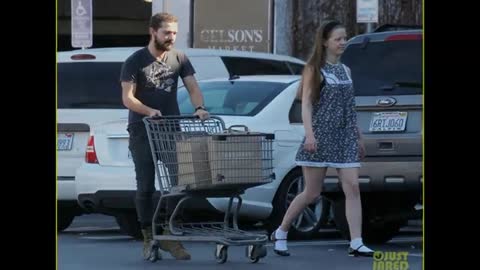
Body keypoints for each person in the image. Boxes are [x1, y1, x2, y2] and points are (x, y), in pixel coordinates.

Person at [271, 20, 375, 257]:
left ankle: (356, 241)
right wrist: (309, 134)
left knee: (353, 187)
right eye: (338, 39)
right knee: (312, 193)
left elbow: (350, 107)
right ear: (325, 42)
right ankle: (282, 231)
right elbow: (306, 104)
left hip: (345, 137)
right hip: (319, 136)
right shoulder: (314, 69)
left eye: (344, 38)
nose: (343, 42)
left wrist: (358, 136)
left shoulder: (346, 71)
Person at [120, 12, 209, 260]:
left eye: (174, 33)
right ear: (153, 32)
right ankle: (148, 237)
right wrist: (148, 111)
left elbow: (193, 87)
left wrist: (199, 108)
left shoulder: (179, 58)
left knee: (178, 183)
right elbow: (127, 98)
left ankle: (170, 235)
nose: (171, 37)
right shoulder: (135, 60)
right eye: (166, 33)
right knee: (146, 186)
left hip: (170, 128)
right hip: (142, 129)